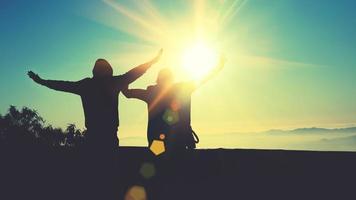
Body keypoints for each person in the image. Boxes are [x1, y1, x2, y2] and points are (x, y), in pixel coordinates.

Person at [27, 49, 163, 149]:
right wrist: (152, 62)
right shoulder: (113, 82)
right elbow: (134, 73)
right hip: (106, 137)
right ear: (109, 70)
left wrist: (42, 81)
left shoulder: (87, 85)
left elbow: (62, 85)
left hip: (95, 137)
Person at [122, 55, 225, 153]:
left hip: (158, 143)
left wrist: (126, 77)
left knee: (159, 167)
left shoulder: (151, 93)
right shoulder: (183, 89)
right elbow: (203, 79)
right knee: (178, 169)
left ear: (158, 80)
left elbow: (127, 93)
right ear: (172, 79)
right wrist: (218, 67)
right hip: (180, 142)